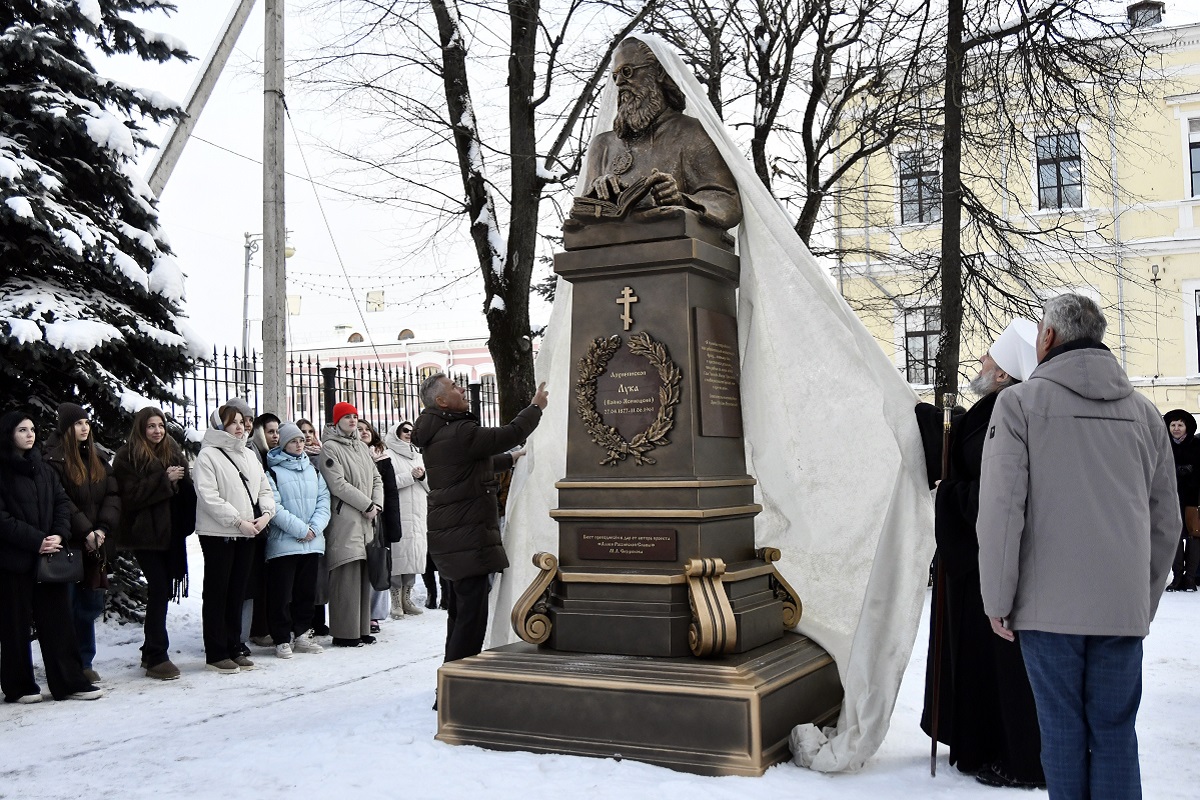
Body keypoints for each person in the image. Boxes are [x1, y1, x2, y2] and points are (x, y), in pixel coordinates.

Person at [978, 293, 1179, 799]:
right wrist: (1142, 599)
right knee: (1115, 733)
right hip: (1118, 607)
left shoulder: (1019, 404)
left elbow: (1002, 512)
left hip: (1048, 611)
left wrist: (997, 600)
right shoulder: (1147, 414)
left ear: (1047, 338)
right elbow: (1165, 522)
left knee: (1063, 734)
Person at [918, 321, 1044, 789]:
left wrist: (950, 494)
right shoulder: (992, 408)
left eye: (989, 359)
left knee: (996, 663)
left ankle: (1002, 749)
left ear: (1005, 373)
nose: (981, 364)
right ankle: (978, 740)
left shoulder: (1004, 412)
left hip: (985, 560)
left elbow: (996, 488)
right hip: (973, 558)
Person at [412, 373, 548, 665]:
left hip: (452, 535)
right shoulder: (460, 431)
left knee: (461, 614)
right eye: (454, 387)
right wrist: (535, 407)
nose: (461, 389)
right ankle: (459, 684)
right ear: (442, 400)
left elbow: (469, 465)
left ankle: (450, 679)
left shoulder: (439, 432)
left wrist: (511, 459)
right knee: (470, 618)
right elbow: (509, 433)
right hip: (467, 536)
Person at [572, 37, 741, 231]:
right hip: (609, 251)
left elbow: (729, 203)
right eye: (615, 76)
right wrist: (597, 193)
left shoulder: (692, 133)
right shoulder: (603, 145)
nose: (620, 82)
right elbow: (580, 216)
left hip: (674, 251)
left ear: (658, 72)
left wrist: (682, 200)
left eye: (628, 72)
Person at [0, 411, 103, 702]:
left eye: (32, 429)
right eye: (22, 430)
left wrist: (58, 534)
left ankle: (69, 682)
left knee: (59, 622)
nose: (30, 435)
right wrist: (36, 541)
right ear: (9, 434)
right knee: (15, 624)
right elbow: (2, 519)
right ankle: (19, 686)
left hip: (50, 558)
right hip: (14, 560)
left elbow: (61, 502)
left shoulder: (42, 468)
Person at [112, 407, 195, 681]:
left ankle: (150, 650)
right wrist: (164, 479)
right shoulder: (128, 456)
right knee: (159, 588)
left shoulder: (172, 451)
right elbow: (131, 497)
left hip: (170, 535)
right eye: (151, 426)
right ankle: (157, 656)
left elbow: (186, 490)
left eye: (160, 425)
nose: (157, 431)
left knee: (162, 592)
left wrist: (181, 484)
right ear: (141, 428)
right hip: (144, 536)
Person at [42, 402, 121, 685]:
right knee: (68, 605)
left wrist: (101, 530)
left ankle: (85, 661)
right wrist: (86, 531)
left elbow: (113, 496)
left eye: (86, 422)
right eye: (77, 424)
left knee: (89, 603)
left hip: (95, 544)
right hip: (71, 544)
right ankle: (70, 663)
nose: (84, 428)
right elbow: (62, 501)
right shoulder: (54, 461)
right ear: (66, 428)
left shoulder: (99, 458)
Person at [194, 404, 275, 673]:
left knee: (238, 591)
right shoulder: (208, 455)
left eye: (242, 422)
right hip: (220, 534)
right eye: (233, 422)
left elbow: (264, 488)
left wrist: (265, 515)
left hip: (249, 532)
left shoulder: (249, 455)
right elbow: (209, 496)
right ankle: (216, 652)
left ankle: (234, 645)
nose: (240, 427)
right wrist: (237, 521)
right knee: (218, 592)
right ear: (220, 425)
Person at [318, 402, 384, 648]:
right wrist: (367, 505)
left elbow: (377, 478)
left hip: (367, 519)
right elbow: (338, 485)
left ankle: (362, 627)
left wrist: (377, 504)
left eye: (355, 416)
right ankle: (345, 632)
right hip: (346, 518)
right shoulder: (331, 448)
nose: (353, 420)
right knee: (346, 573)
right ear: (337, 421)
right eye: (347, 417)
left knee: (363, 574)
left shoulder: (361, 447)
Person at [264, 422, 329, 658]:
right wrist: (301, 530)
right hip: (285, 543)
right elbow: (274, 507)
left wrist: (314, 528)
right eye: (294, 440)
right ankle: (282, 638)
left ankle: (302, 633)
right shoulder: (272, 472)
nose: (299, 444)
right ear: (283, 444)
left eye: (302, 440)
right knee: (281, 594)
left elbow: (324, 501)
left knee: (306, 592)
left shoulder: (313, 470)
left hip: (311, 542)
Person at [357, 418, 401, 631]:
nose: (364, 432)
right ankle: (358, 612)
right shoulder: (349, 455)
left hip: (379, 520)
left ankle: (374, 614)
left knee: (378, 564)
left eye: (367, 429)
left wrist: (394, 527)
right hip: (355, 518)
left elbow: (391, 494)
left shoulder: (383, 459)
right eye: (359, 429)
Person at [386, 421, 429, 617]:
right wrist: (410, 476)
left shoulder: (419, 455)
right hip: (399, 511)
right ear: (396, 432)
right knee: (398, 556)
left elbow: (432, 485)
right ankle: (395, 600)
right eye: (405, 430)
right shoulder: (389, 455)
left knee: (414, 555)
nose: (409, 434)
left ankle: (407, 598)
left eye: (412, 431)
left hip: (418, 512)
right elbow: (387, 483)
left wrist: (421, 478)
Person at [1164, 409, 1200, 592]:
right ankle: (1177, 577)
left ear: (1187, 427)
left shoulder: (1197, 445)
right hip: (1170, 498)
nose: (1176, 428)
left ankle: (1190, 578)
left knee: (1195, 535)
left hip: (1194, 499)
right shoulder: (1164, 445)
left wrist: (1190, 473)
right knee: (1174, 536)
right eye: (1173, 425)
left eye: (1180, 424)